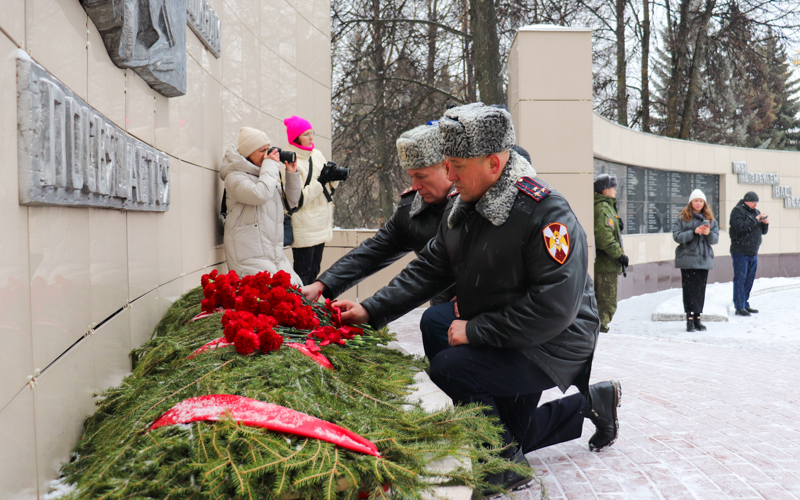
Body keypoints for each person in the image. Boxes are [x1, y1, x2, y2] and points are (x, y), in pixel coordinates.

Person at [332, 103, 621, 496]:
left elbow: (554, 307)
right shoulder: (464, 206)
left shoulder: (546, 213)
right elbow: (430, 267)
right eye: (446, 164)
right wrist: (371, 309)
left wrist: (476, 330)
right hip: (512, 329)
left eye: (457, 166)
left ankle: (501, 467)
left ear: (493, 163)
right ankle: (520, 437)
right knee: (436, 324)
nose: (448, 175)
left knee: (451, 368)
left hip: (553, 341)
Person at [300, 123, 455, 313]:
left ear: (448, 167)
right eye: (411, 177)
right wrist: (321, 284)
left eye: (421, 176)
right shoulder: (411, 209)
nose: (415, 186)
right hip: (442, 309)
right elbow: (374, 251)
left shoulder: (476, 205)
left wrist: (474, 295)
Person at [220, 127, 303, 284]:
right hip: (248, 257)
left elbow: (292, 203)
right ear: (247, 152)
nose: (266, 155)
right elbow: (260, 195)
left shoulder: (265, 176)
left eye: (268, 150)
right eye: (261, 151)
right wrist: (271, 166)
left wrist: (292, 175)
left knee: (297, 290)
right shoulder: (234, 177)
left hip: (273, 255)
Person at [282, 116, 339, 285]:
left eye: (311, 133)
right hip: (304, 226)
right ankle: (300, 308)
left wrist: (333, 177)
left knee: (314, 272)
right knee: (303, 276)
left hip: (320, 224)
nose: (311, 137)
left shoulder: (317, 155)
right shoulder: (290, 160)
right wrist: (321, 181)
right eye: (306, 134)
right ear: (296, 138)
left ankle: (308, 309)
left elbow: (328, 190)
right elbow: (296, 200)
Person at [672, 189, 719, 331]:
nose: (698, 203)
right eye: (696, 201)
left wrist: (708, 233)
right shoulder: (682, 219)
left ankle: (698, 318)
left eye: (701, 201)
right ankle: (689, 320)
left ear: (704, 203)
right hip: (687, 259)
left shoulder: (710, 220)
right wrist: (693, 232)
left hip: (703, 259)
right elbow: (676, 236)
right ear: (691, 202)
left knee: (700, 290)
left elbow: (715, 239)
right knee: (689, 290)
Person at [593, 174, 627, 333]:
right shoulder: (603, 208)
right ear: (605, 191)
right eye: (613, 189)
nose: (615, 192)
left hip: (607, 265)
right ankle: (600, 334)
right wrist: (618, 254)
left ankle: (600, 331)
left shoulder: (608, 207)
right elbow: (604, 238)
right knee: (606, 304)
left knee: (605, 304)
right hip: (605, 265)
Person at [729, 191, 769, 316]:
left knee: (749, 280)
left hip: (753, 251)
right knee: (740, 279)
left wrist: (765, 224)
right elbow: (741, 227)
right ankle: (739, 306)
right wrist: (755, 219)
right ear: (747, 201)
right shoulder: (737, 211)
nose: (755, 205)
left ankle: (745, 303)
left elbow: (762, 231)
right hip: (740, 252)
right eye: (753, 202)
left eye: (757, 202)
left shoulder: (756, 212)